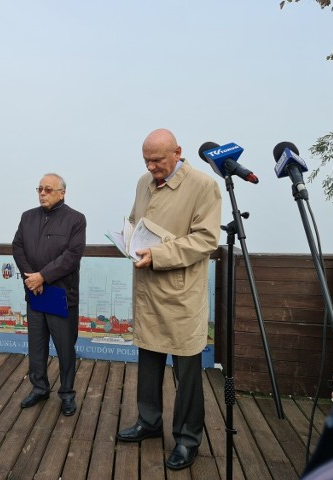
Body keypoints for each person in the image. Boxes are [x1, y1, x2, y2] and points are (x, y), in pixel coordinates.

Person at [116, 129, 221, 471]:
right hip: (148, 290)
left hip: (179, 295)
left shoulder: (204, 186)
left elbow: (205, 240)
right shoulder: (142, 182)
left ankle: (188, 439)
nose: (151, 166)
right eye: (146, 160)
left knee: (187, 373)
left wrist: (158, 254)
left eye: (158, 160)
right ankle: (149, 423)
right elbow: (136, 220)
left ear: (178, 152)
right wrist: (127, 238)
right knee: (148, 363)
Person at [12, 173, 87, 417]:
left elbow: (72, 256)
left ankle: (67, 393)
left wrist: (42, 276)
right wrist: (32, 278)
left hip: (61, 295)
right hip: (35, 293)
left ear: (62, 192)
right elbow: (18, 248)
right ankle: (39, 387)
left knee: (65, 348)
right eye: (39, 189)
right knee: (36, 346)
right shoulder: (28, 217)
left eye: (48, 189)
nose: (42, 193)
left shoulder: (76, 219)